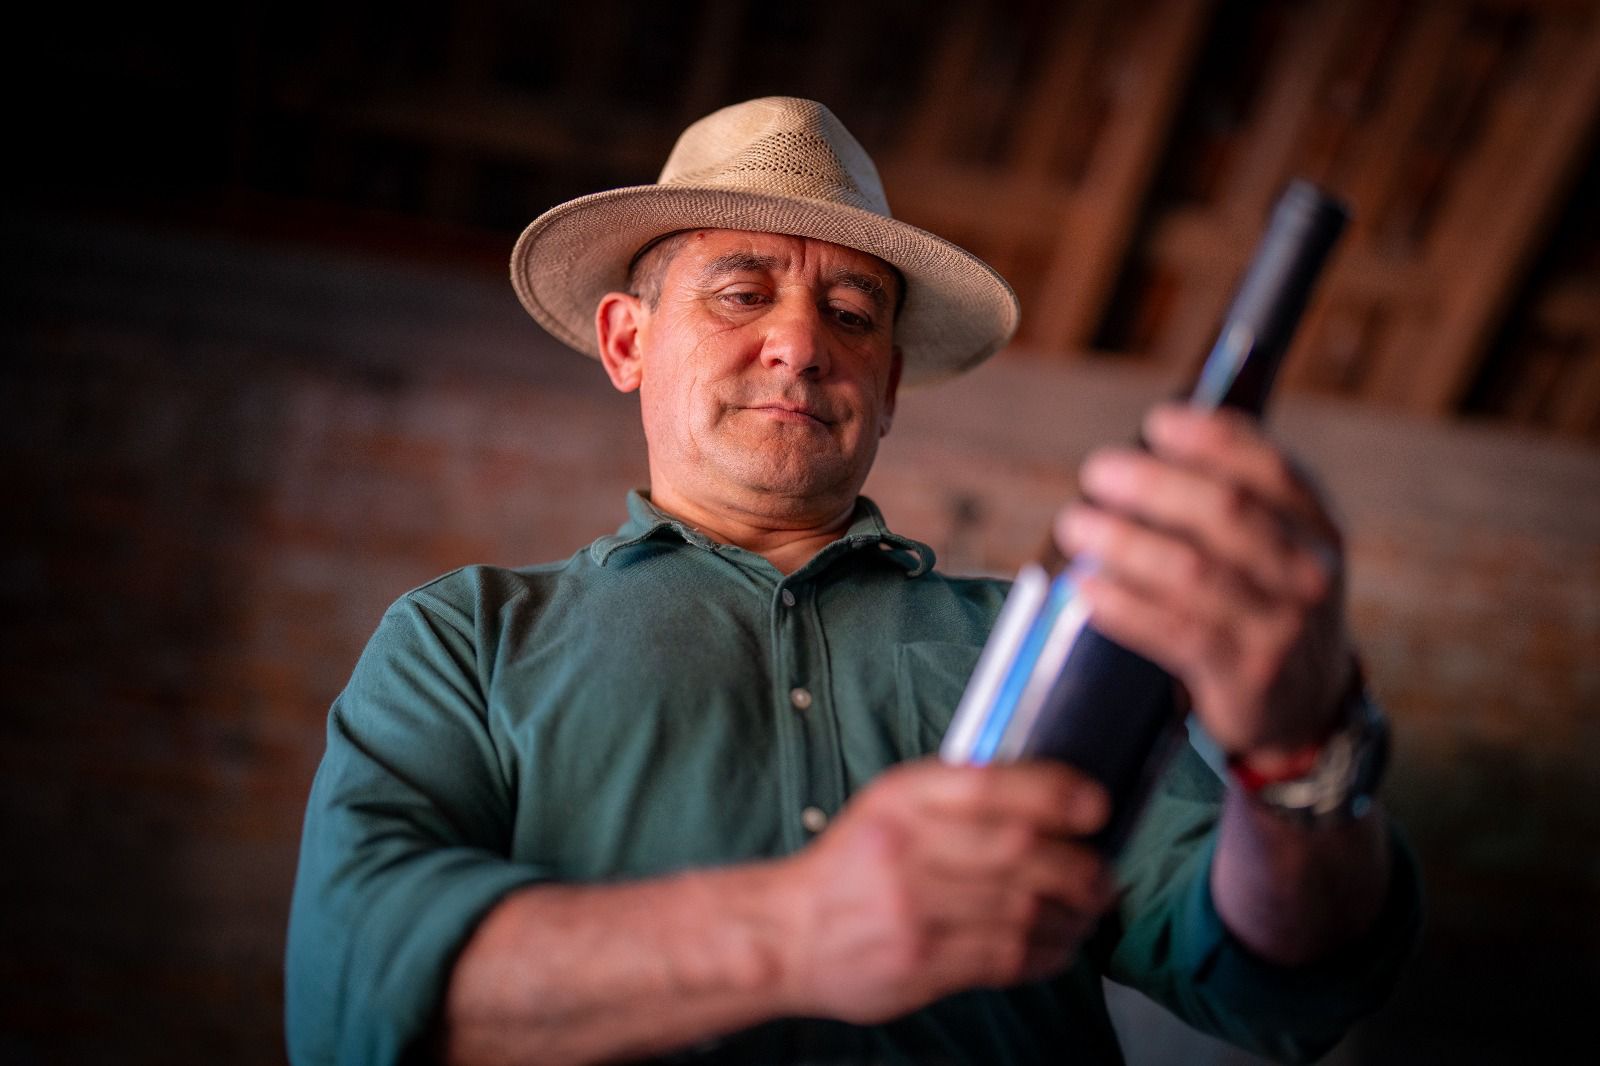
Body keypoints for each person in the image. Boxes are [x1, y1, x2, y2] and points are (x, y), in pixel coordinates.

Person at [286, 97, 1419, 1065]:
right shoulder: (466, 635)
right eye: (742, 293)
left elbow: (1274, 980)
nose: (801, 343)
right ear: (628, 341)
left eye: (849, 314)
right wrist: (791, 931)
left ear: (887, 390)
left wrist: (1303, 758)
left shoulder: (1033, 642)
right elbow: (357, 988)